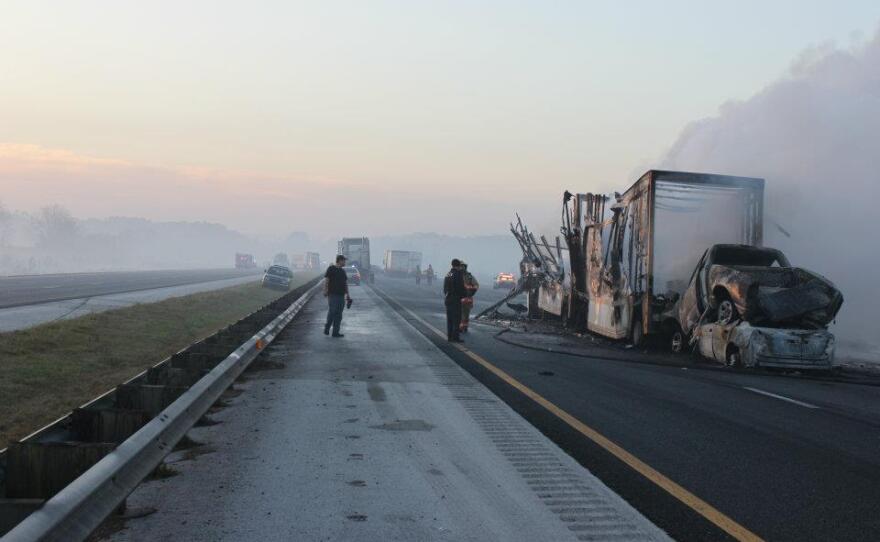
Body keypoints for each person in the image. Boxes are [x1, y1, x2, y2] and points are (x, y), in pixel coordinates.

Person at [323, 255, 352, 337]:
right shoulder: (331, 268)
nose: (345, 262)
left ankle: (335, 332)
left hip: (341, 296)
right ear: (339, 261)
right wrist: (325, 290)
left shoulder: (343, 271)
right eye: (344, 260)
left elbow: (345, 284)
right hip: (332, 295)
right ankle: (327, 327)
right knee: (332, 311)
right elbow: (327, 280)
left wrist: (348, 295)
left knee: (339, 314)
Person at [443, 258, 468, 342]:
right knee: (456, 320)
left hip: (448, 299)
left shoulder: (448, 274)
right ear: (458, 266)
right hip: (455, 299)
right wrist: (465, 294)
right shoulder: (458, 274)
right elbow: (460, 287)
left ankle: (450, 337)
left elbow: (445, 288)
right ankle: (455, 337)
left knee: (449, 319)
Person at [459, 262, 479, 333]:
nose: (461, 268)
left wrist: (471, 292)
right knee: (460, 314)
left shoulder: (469, 277)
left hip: (467, 299)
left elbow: (476, 285)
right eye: (460, 266)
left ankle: (464, 326)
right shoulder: (455, 275)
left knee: (466, 315)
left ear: (465, 267)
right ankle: (460, 327)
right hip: (458, 299)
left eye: (462, 266)